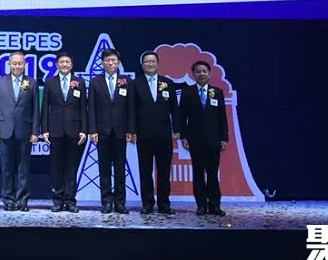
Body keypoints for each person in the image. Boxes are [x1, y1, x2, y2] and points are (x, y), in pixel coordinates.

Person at [87, 48, 135, 214]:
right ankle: (106, 202)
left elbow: (131, 107)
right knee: (104, 168)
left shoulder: (126, 81)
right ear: (102, 63)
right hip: (102, 131)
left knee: (120, 168)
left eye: (113, 60)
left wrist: (130, 129)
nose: (111, 63)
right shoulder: (95, 82)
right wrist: (92, 130)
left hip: (121, 131)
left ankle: (120, 203)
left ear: (118, 62)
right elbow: (91, 107)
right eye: (107, 60)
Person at [133, 51, 180, 214]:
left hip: (164, 134)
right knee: (145, 171)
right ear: (142, 65)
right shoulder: (135, 84)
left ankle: (164, 204)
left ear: (158, 64)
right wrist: (132, 130)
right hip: (143, 134)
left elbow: (175, 108)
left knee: (164, 171)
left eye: (152, 61)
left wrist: (177, 129)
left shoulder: (168, 83)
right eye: (147, 61)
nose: (150, 64)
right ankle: (147, 203)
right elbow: (131, 109)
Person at [0, 52, 40, 211]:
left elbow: (35, 109)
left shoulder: (31, 82)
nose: (17, 66)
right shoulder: (0, 82)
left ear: (25, 64)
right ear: (9, 64)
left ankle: (22, 200)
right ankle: (8, 200)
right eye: (14, 63)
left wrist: (35, 131)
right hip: (5, 130)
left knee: (23, 168)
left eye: (20, 63)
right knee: (6, 168)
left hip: (25, 131)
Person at [180, 60, 229, 216]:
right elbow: (182, 117)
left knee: (213, 174)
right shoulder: (187, 92)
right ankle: (201, 205)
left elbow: (222, 117)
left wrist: (224, 138)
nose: (201, 74)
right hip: (195, 140)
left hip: (214, 140)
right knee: (198, 173)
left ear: (209, 74)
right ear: (193, 74)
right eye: (198, 71)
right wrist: (183, 137)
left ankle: (215, 205)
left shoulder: (217, 92)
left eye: (204, 71)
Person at [41, 52, 87, 213]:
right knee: (57, 167)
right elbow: (44, 108)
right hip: (55, 131)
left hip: (74, 131)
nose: (65, 64)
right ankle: (58, 201)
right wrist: (44, 130)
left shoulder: (80, 82)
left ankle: (71, 200)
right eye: (61, 62)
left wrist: (84, 130)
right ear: (57, 64)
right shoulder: (50, 82)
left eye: (67, 62)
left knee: (72, 167)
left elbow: (83, 107)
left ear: (72, 65)